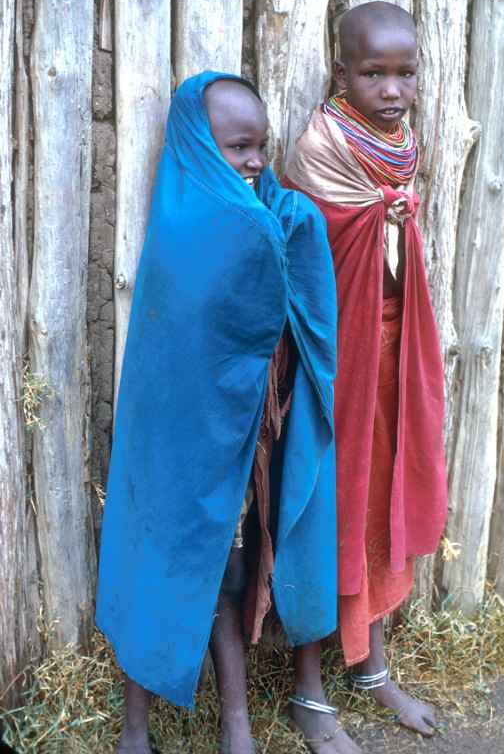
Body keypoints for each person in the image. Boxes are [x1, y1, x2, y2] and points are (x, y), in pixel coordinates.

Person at [96, 71, 356, 754]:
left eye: (260, 147)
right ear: (198, 147)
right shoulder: (182, 228)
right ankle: (135, 729)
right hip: (179, 445)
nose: (255, 163)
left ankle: (237, 724)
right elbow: (179, 349)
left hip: (252, 438)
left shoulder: (277, 214)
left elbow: (300, 303)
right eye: (237, 148)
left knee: (237, 567)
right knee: (161, 560)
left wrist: (281, 227)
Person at [284, 2, 448, 737]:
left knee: (383, 496)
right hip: (332, 361)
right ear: (340, 73)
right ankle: (309, 690)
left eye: (403, 73)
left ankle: (371, 664)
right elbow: (301, 261)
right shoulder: (320, 149)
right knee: (329, 504)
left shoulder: (402, 145)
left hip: (392, 346)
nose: (390, 89)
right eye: (372, 73)